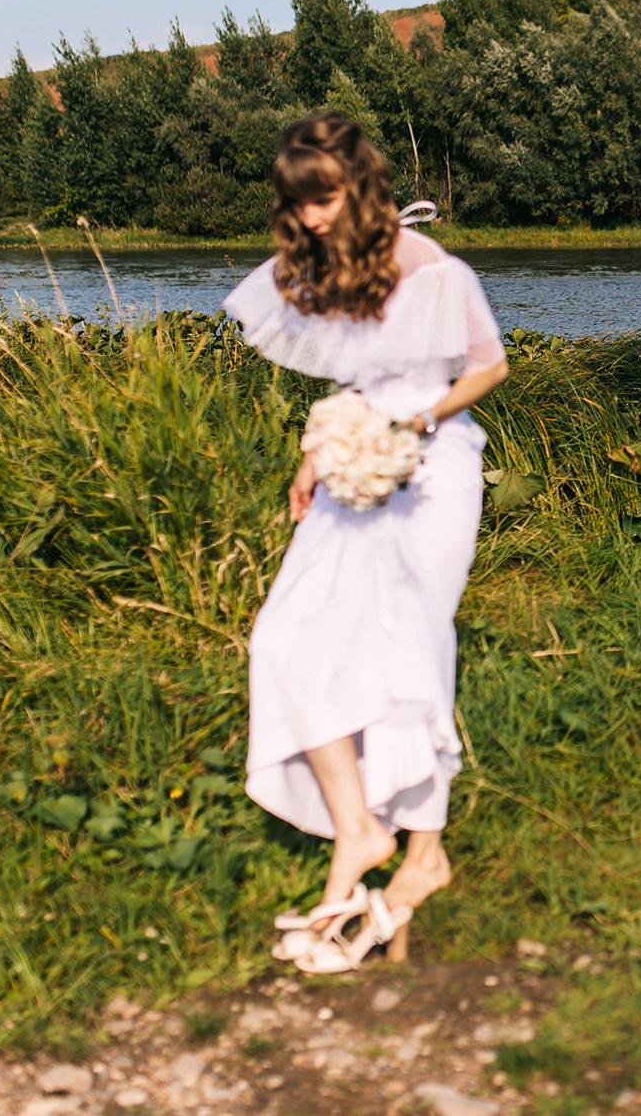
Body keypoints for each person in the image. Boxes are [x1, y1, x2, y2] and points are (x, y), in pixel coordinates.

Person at [222, 111, 509, 972]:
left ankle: (424, 851)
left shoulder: (431, 267)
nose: (311, 217)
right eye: (299, 202)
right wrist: (322, 452)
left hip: (434, 465)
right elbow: (352, 382)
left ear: (362, 185)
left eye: (327, 198)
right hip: (356, 469)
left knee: (409, 649)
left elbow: (489, 367)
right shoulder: (313, 267)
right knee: (286, 637)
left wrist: (413, 419)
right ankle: (358, 829)